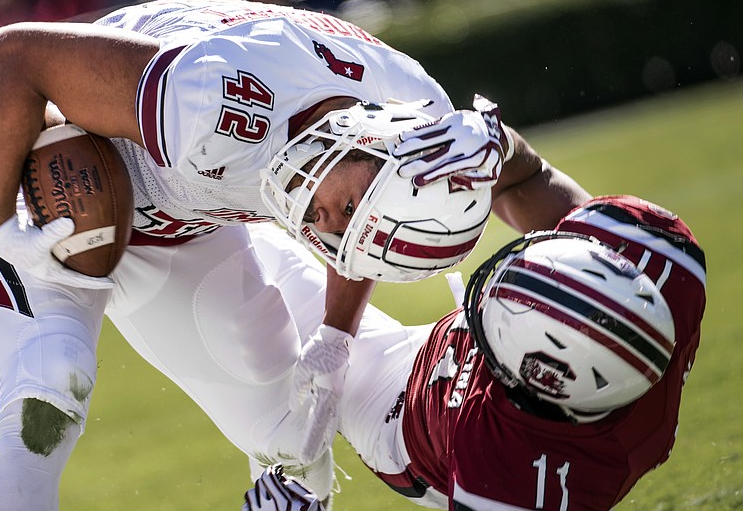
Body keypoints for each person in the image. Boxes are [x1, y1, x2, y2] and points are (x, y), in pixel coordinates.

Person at [0, 0, 590, 509]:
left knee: (288, 433)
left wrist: (605, 260)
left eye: (343, 232)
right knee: (50, 391)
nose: (323, 224)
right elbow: (18, 54)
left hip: (185, 211)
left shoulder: (416, 124)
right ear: (374, 142)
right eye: (344, 205)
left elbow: (391, 216)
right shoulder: (213, 100)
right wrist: (2, 219)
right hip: (51, 178)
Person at [241, 194, 705, 509]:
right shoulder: (659, 260)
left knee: (247, 275)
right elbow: (519, 169)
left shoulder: (521, 475)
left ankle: (300, 486)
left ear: (539, 381)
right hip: (443, 366)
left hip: (399, 418)